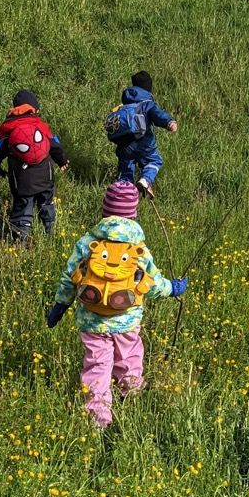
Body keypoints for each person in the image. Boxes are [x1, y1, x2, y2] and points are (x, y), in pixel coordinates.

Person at [45, 181, 187, 427]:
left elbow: (70, 277)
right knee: (129, 357)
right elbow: (152, 283)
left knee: (97, 365)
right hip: (127, 320)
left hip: (92, 321)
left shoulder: (88, 243)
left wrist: (60, 305)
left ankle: (98, 417)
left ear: (104, 210)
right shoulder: (138, 248)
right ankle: (130, 397)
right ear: (134, 213)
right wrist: (173, 288)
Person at [0, 89, 68, 243]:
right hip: (45, 176)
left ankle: (20, 241)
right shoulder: (40, 125)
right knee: (46, 203)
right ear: (34, 108)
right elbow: (55, 145)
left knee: (23, 209)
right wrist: (62, 161)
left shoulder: (8, 129)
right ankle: (51, 235)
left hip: (21, 180)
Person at [105, 71, 178, 200]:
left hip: (124, 145)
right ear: (148, 88)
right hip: (143, 142)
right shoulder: (146, 103)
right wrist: (169, 122)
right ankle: (145, 180)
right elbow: (157, 114)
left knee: (126, 170)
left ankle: (122, 196)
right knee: (154, 161)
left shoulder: (123, 107)